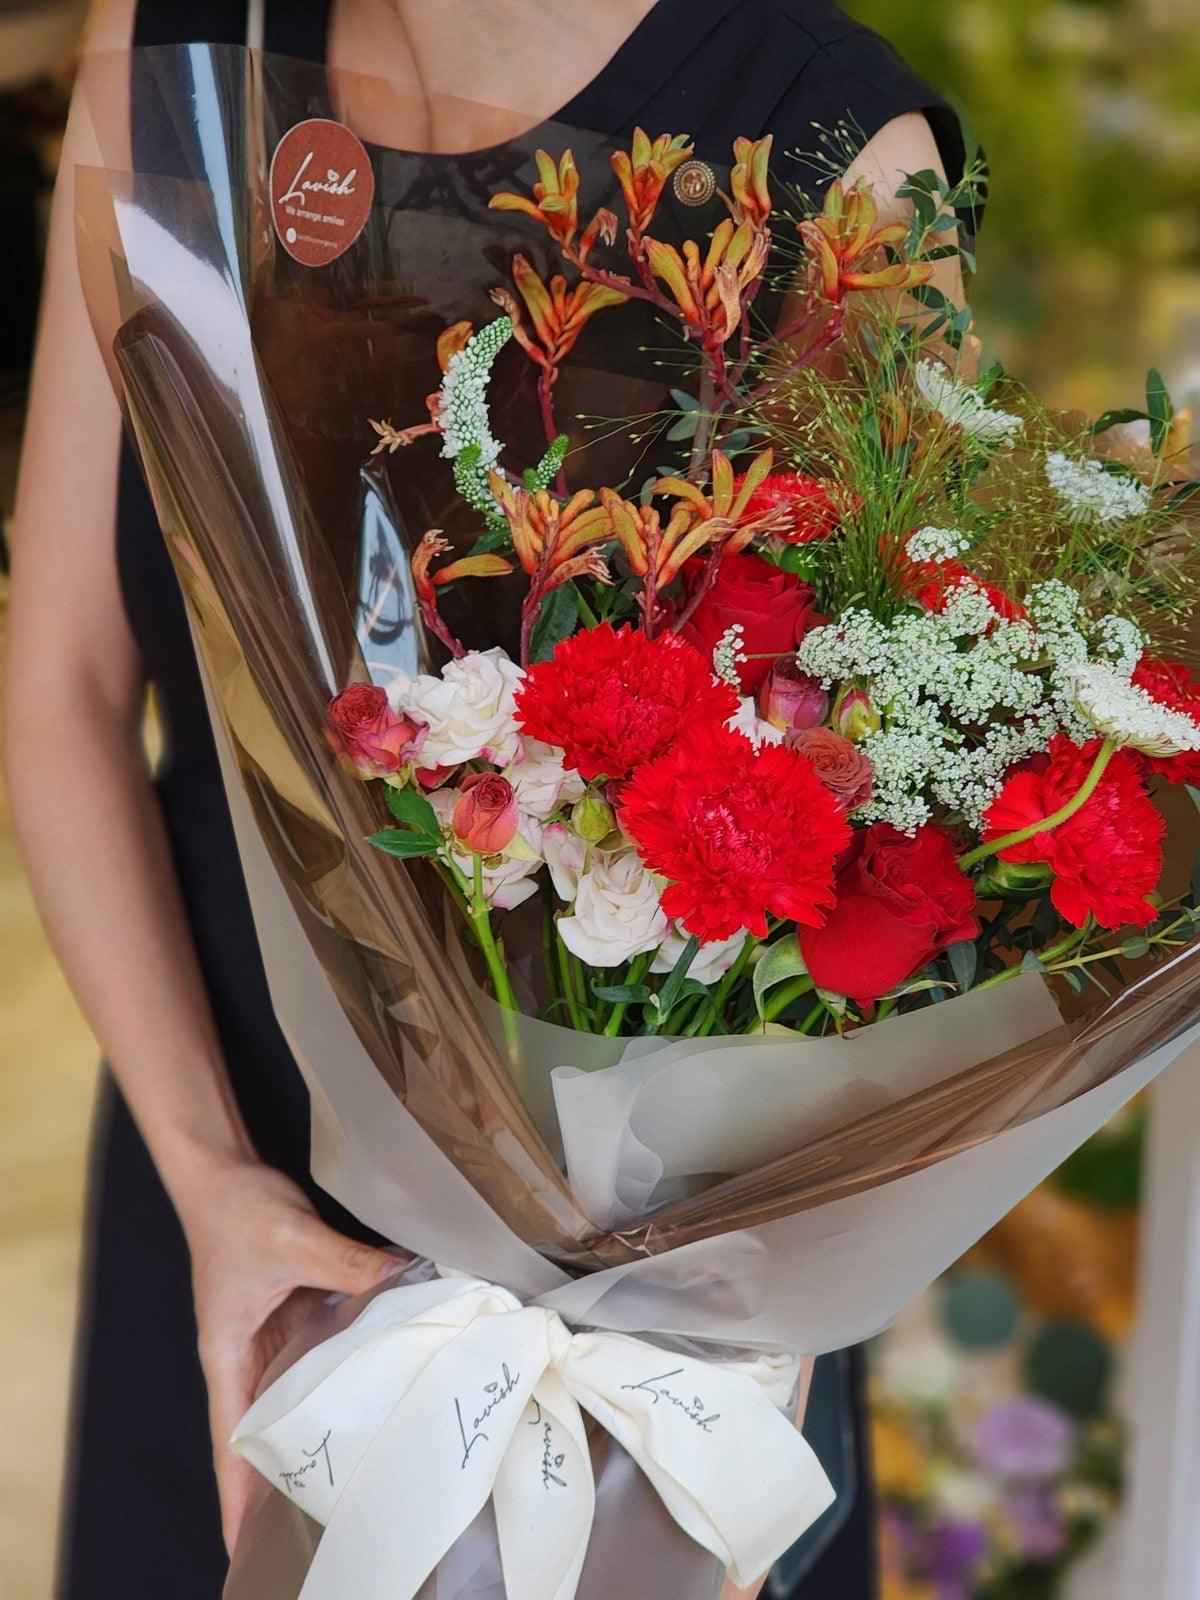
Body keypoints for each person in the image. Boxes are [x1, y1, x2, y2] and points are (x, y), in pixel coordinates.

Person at [5, 2, 971, 1594]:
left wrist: (731, 1322)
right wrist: (212, 1183)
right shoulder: (177, 37)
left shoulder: (830, 147)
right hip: (238, 1196)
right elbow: (65, 685)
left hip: (667, 1303)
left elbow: (893, 815)